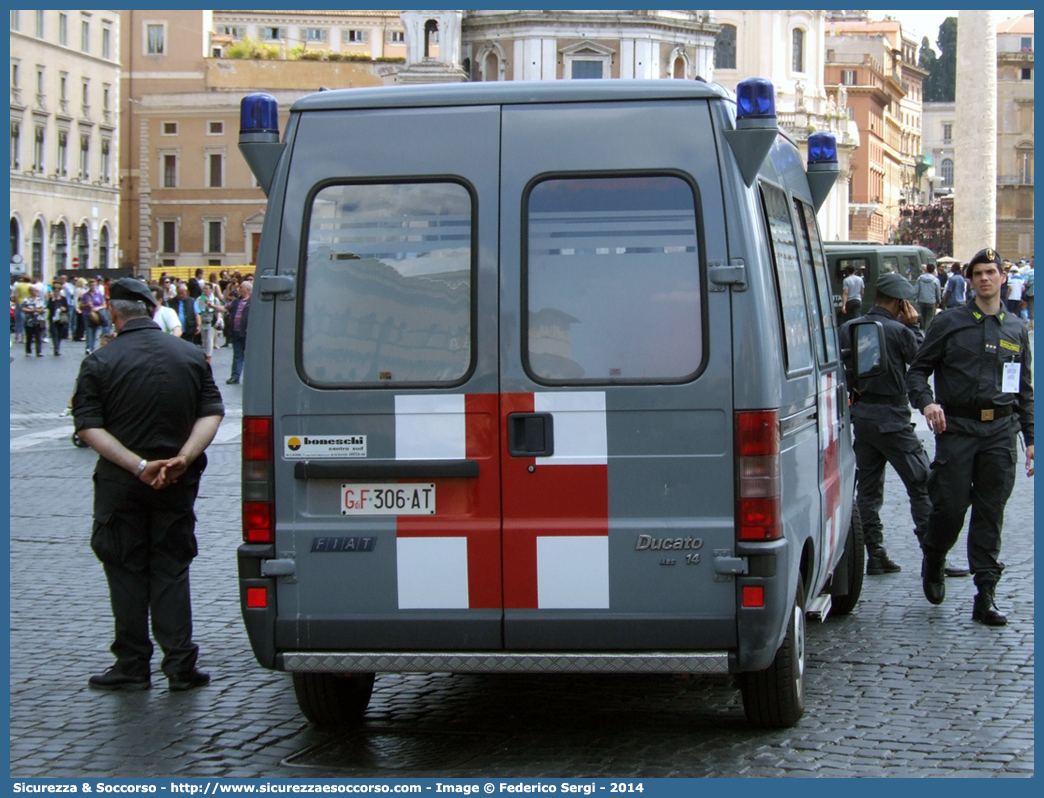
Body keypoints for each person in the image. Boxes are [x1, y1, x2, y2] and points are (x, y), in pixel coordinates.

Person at [72, 278, 224, 691]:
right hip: (177, 480)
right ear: (151, 311)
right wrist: (183, 458)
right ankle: (180, 664)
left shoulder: (99, 361)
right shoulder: (191, 355)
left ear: (115, 314)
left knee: (125, 568)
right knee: (172, 567)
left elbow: (88, 426)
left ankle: (132, 664)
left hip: (122, 483)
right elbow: (212, 412)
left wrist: (139, 465)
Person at [907, 248, 1034, 626]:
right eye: (978, 272)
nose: (985, 278)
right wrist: (927, 403)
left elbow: (1024, 390)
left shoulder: (1015, 329)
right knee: (949, 508)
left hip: (999, 431)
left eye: (991, 272)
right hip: (958, 430)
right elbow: (917, 372)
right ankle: (934, 553)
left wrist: (1031, 439)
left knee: (990, 513)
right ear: (971, 280)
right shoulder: (950, 324)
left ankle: (985, 595)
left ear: (1003, 279)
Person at [840, 273, 933, 575]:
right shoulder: (899, 330)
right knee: (923, 485)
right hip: (893, 419)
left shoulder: (849, 328)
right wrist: (915, 325)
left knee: (867, 492)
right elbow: (922, 361)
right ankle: (934, 557)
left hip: (863, 418)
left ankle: (875, 554)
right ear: (899, 302)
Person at [224, 279, 251, 384]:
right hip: (236, 332)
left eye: (241, 287)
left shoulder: (253, 301)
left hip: (247, 333)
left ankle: (250, 376)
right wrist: (214, 307)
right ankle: (235, 376)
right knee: (238, 355)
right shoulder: (236, 301)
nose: (239, 289)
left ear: (247, 289)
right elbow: (225, 308)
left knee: (249, 356)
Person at [196, 282, 223, 364]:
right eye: (204, 288)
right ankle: (205, 356)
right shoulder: (200, 299)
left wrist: (218, 320)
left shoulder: (215, 300)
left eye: (207, 289)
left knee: (209, 339)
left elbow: (218, 311)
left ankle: (208, 359)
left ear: (211, 290)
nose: (205, 290)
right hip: (203, 322)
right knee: (204, 341)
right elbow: (199, 310)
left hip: (211, 322)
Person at [81, 278, 107, 355]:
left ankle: (92, 347)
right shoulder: (85, 295)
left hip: (96, 314)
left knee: (95, 331)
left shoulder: (99, 294)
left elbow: (104, 305)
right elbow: (81, 305)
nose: (92, 286)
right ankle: (89, 347)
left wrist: (98, 308)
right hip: (87, 314)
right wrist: (86, 304)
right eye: (91, 285)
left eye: (94, 285)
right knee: (89, 331)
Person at [914, 262, 942, 332]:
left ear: (926, 269)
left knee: (923, 318)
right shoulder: (936, 280)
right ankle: (927, 333)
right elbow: (938, 292)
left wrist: (916, 299)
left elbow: (916, 290)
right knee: (929, 318)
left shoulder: (920, 278)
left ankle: (923, 331)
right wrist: (938, 301)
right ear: (933, 270)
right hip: (931, 301)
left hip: (922, 301)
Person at [20, 286, 48, 356]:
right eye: (35, 291)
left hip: (38, 320)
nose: (37, 292)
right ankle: (28, 351)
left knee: (38, 336)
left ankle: (39, 351)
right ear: (31, 292)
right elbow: (23, 309)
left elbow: (44, 309)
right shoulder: (27, 300)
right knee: (29, 337)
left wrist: (40, 310)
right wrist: (32, 310)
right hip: (29, 321)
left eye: (37, 291)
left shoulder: (40, 300)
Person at [47, 286, 71, 355]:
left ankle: (58, 346)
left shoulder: (63, 299)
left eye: (58, 291)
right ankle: (56, 348)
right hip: (53, 319)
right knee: (55, 333)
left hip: (61, 319)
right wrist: (52, 301)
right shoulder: (51, 299)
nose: (56, 293)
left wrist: (64, 309)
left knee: (60, 334)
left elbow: (67, 309)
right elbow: (49, 308)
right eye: (55, 291)